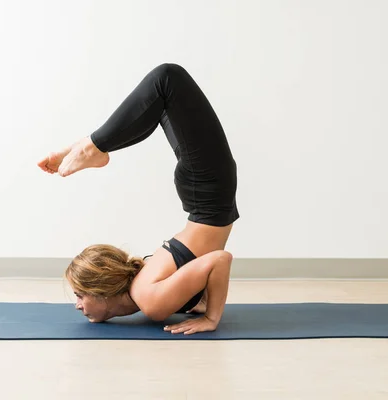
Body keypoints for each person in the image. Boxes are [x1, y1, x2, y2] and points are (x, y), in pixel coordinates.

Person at [37, 63, 239, 335]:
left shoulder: (149, 299)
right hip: (207, 194)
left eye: (80, 295)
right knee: (166, 89)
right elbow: (214, 260)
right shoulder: (148, 295)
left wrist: (209, 313)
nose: (77, 305)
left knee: (167, 82)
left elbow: (216, 259)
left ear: (103, 291)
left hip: (209, 193)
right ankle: (93, 146)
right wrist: (204, 304)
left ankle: (92, 147)